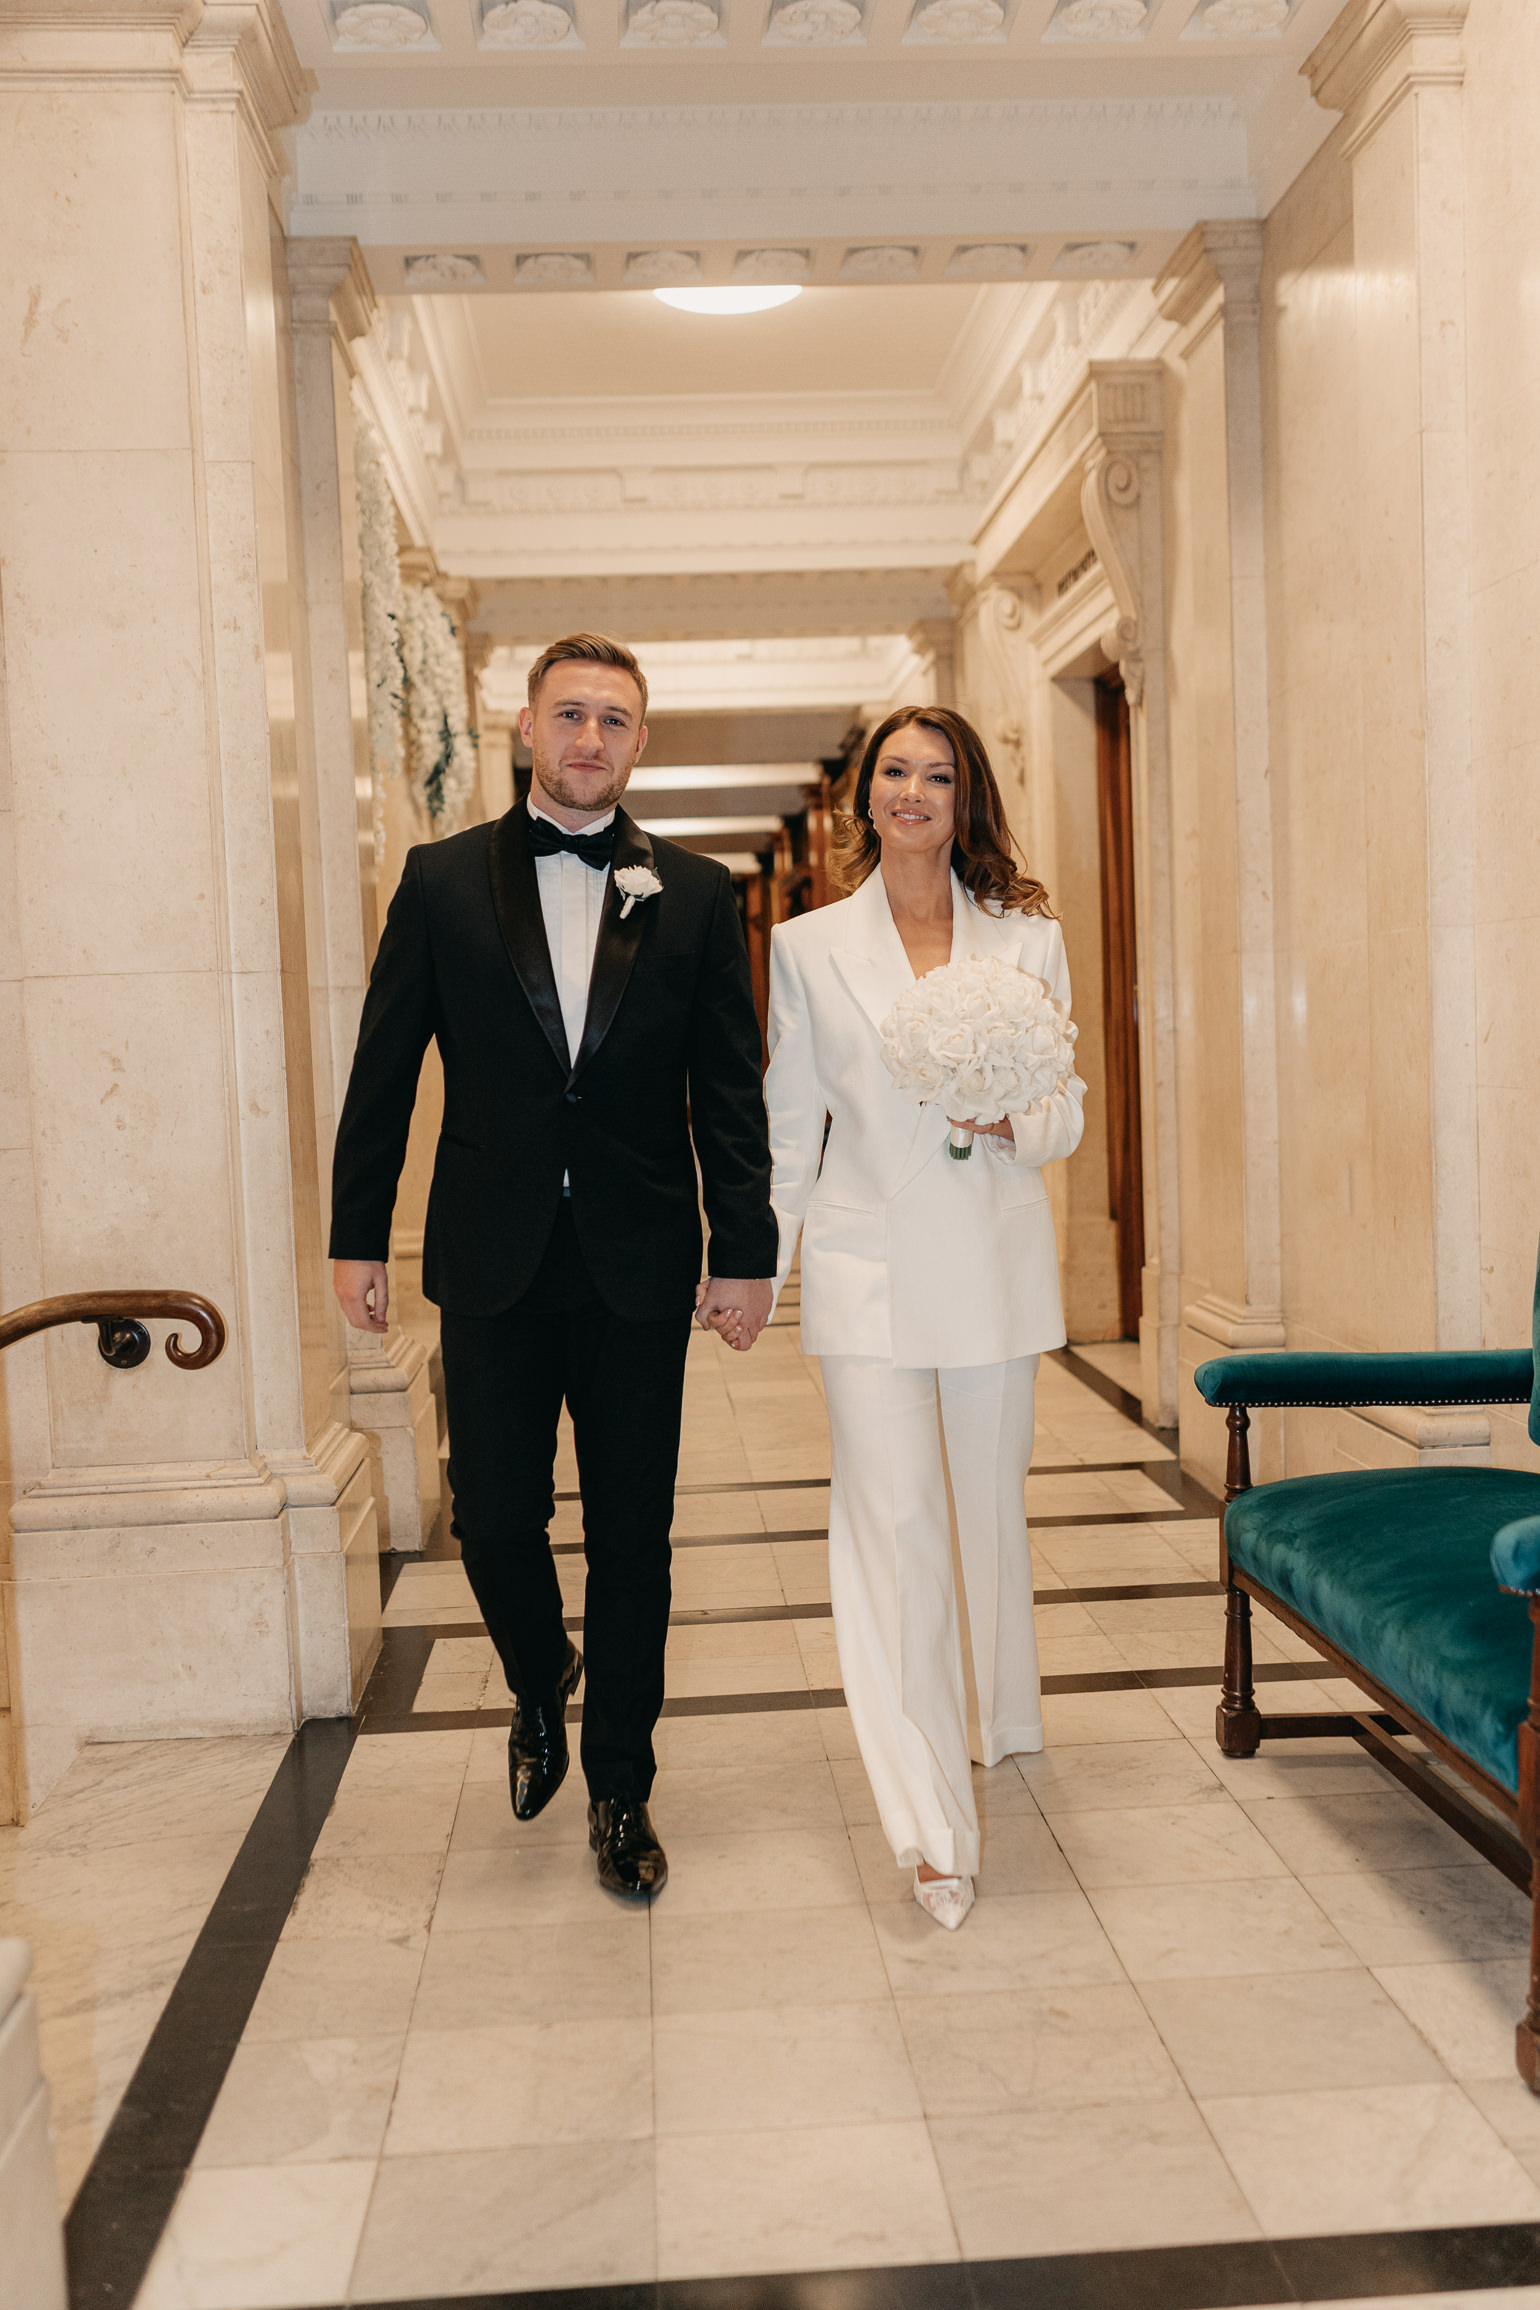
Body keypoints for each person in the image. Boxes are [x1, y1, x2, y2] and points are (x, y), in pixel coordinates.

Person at [329, 633, 777, 1902]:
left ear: (642, 743)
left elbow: (725, 1094)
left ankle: (622, 1791)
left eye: (616, 721)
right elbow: (384, 1070)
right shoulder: (438, 880)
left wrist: (744, 1252)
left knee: (636, 1537)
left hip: (641, 1263)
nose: (591, 739)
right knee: (492, 1515)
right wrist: (356, 1234)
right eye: (569, 715)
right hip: (492, 1255)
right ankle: (539, 1677)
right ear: (528, 728)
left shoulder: (692, 893)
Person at [763, 706, 1085, 1930]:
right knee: (890, 1530)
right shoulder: (805, 947)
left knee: (985, 1512)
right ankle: (927, 1826)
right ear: (866, 795)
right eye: (894, 772)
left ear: (966, 798)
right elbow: (791, 1126)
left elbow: (1063, 1107)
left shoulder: (1027, 939)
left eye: (937, 776)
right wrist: (755, 1265)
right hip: (866, 1269)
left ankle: (998, 1719)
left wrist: (1015, 1115)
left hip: (993, 1264)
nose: (912, 792)